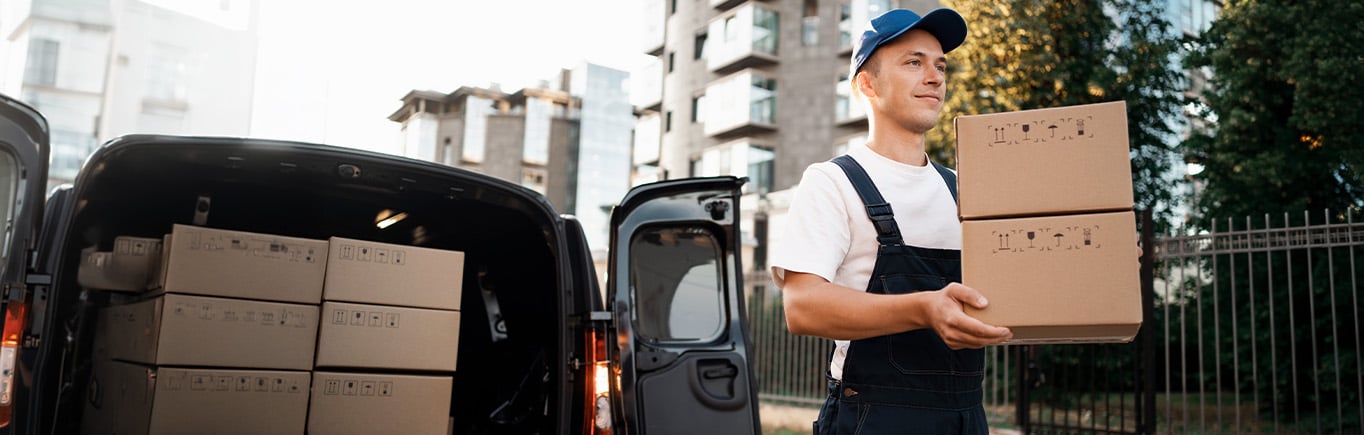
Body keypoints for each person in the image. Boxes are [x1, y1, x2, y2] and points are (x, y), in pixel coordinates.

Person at [769, 7, 1012, 434]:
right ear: (867, 83)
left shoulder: (964, 191)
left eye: (940, 66)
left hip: (966, 417)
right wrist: (923, 308)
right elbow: (802, 307)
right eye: (913, 62)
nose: (935, 78)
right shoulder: (833, 182)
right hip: (874, 418)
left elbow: (1009, 288)